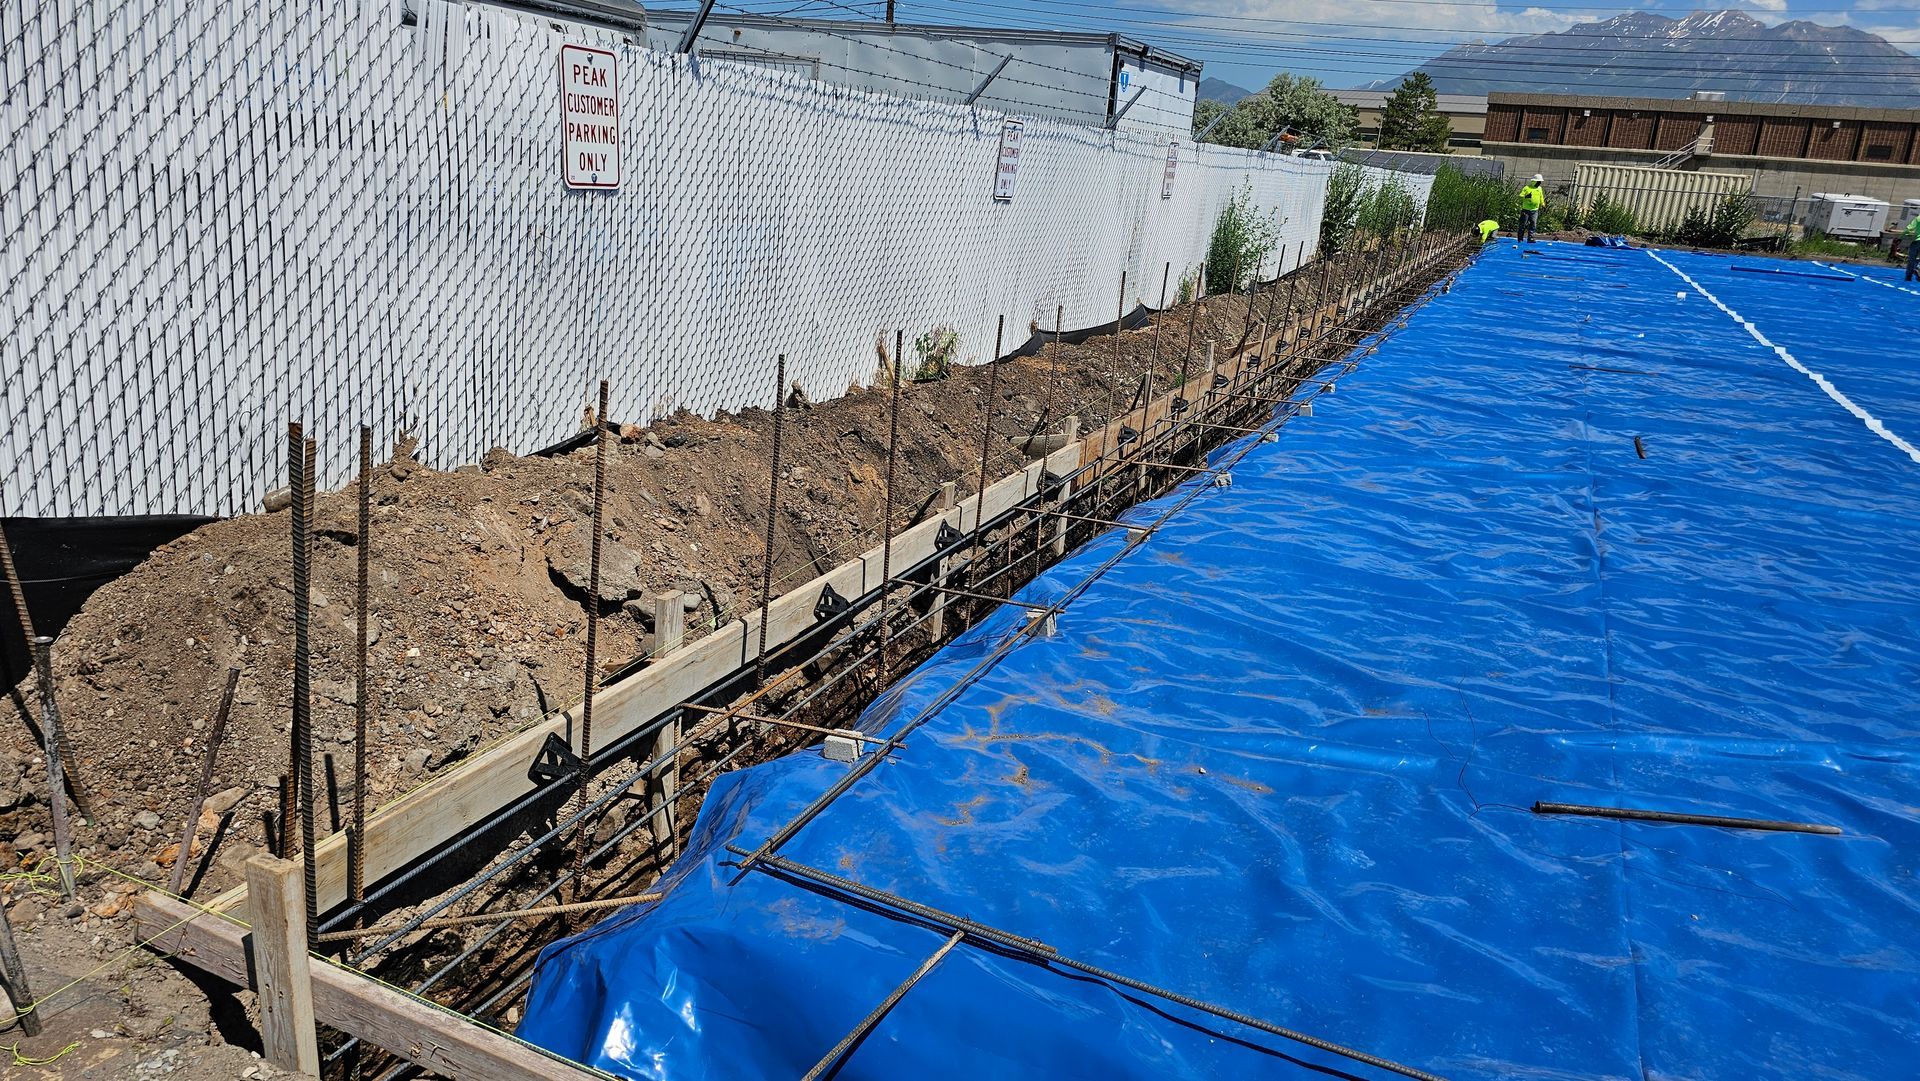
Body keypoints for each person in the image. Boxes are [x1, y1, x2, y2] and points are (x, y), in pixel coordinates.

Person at [1518, 174, 1546, 244]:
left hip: (1535, 210)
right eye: (1538, 181)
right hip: (1526, 210)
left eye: (1540, 182)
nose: (1539, 183)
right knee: (1523, 224)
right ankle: (1520, 239)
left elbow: (1541, 196)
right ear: (1534, 181)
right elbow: (1520, 196)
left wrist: (1542, 203)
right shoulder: (1526, 188)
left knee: (1533, 224)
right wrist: (1526, 196)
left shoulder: (1539, 188)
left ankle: (1530, 238)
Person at [1904, 213, 1920, 281]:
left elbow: (1910, 228)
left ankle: (1909, 275)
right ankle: (1918, 268)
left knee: (1911, 258)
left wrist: (1905, 234)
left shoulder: (1918, 218)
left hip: (1917, 241)